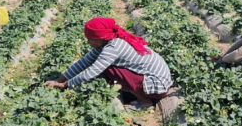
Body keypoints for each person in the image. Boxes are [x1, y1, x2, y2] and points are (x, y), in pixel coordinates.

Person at [44, 17, 172, 109]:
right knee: (107, 67)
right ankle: (135, 92)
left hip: (158, 85)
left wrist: (65, 85)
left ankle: (145, 101)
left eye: (90, 39)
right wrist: (58, 80)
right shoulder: (107, 42)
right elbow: (83, 63)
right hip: (155, 79)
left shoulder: (114, 47)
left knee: (109, 70)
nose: (88, 42)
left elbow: (92, 71)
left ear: (100, 38)